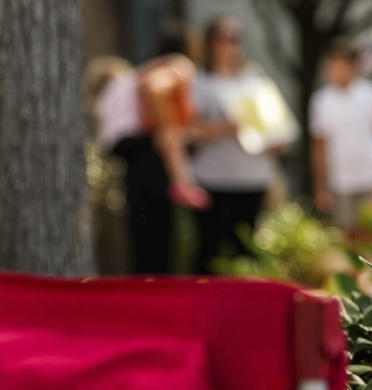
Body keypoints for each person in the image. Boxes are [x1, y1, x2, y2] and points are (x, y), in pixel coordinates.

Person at [85, 30, 211, 274]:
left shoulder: (140, 71)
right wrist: (167, 128)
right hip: (148, 154)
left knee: (143, 236)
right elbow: (156, 89)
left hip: (130, 153)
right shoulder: (179, 65)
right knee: (158, 237)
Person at [191, 15, 295, 274]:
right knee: (210, 255)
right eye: (225, 38)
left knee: (247, 256)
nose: (232, 44)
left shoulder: (256, 81)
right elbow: (190, 131)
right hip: (213, 180)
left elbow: (278, 127)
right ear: (211, 42)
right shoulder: (199, 83)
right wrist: (227, 128)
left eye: (237, 38)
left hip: (254, 180)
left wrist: (277, 140)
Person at [309, 39, 372, 234]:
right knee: (347, 235)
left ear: (353, 66)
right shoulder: (321, 101)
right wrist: (321, 186)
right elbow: (320, 145)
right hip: (340, 180)